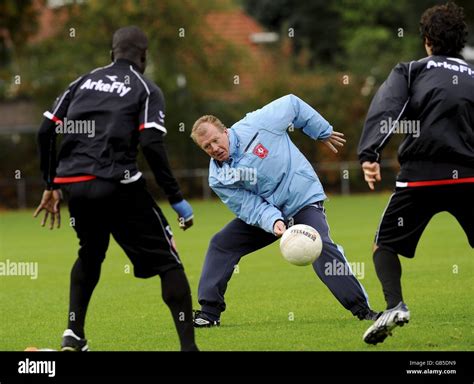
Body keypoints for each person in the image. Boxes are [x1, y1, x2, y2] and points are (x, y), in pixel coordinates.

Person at [33, 26, 198, 351]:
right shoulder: (145, 88)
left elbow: (45, 131)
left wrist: (51, 183)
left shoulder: (81, 82)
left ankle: (73, 334)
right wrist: (176, 197)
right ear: (144, 57)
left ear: (112, 53)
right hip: (117, 184)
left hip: (75, 188)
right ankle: (189, 349)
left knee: (90, 254)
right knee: (168, 262)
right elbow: (151, 142)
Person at [190, 94, 379, 328]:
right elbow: (248, 206)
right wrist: (273, 221)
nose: (215, 148)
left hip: (302, 201)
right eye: (207, 147)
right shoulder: (217, 177)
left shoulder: (259, 123)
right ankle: (209, 314)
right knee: (221, 244)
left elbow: (293, 104)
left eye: (216, 140)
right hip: (269, 216)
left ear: (225, 131)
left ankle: (363, 311)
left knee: (321, 247)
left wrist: (321, 131)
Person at [358, 2, 474, 345]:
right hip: (468, 177)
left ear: (427, 40)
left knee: (384, 246)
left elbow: (387, 109)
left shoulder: (411, 71)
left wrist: (370, 154)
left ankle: (395, 307)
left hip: (420, 178)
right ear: (460, 41)